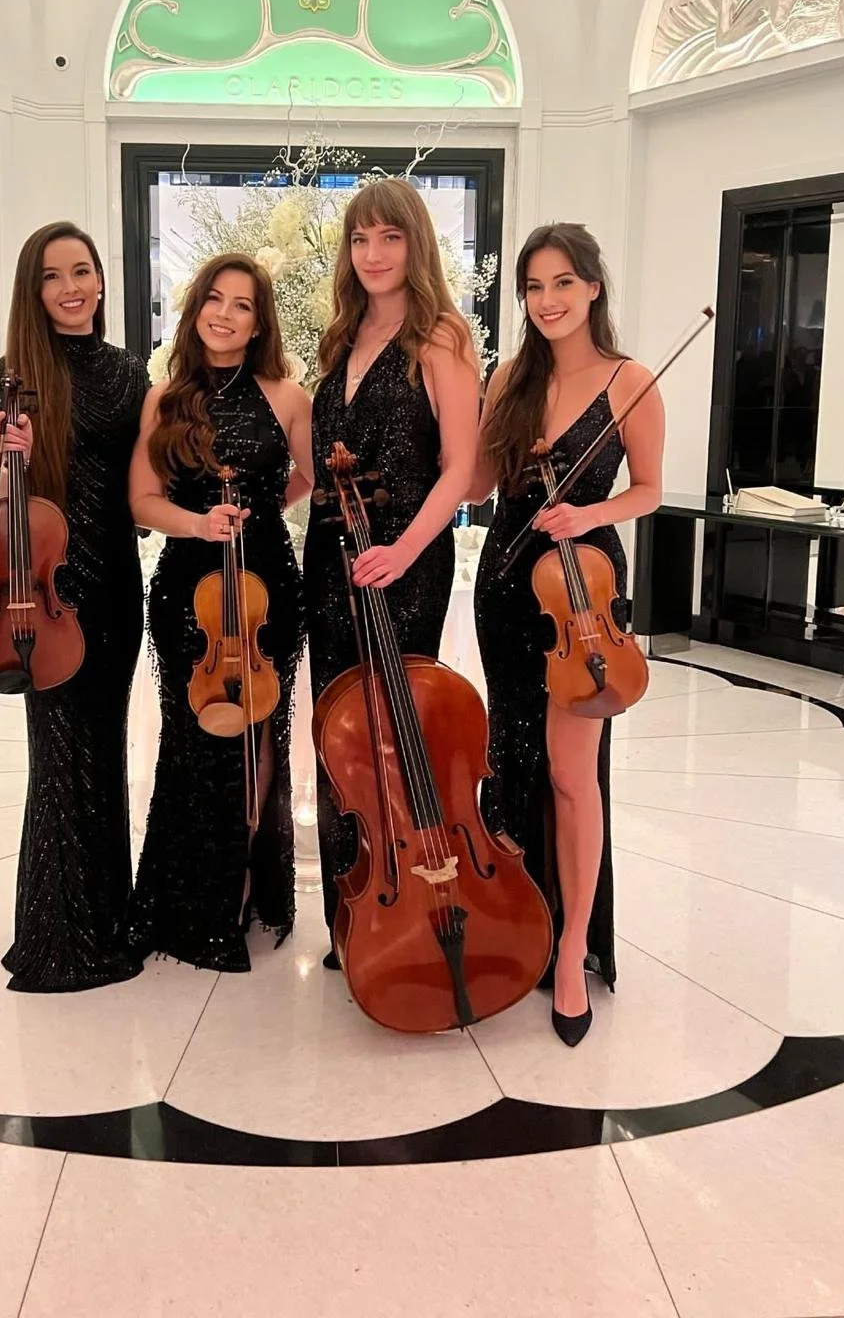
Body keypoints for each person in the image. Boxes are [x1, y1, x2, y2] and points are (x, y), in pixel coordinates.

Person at [470, 223, 663, 1045]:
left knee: (572, 775)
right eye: (533, 287)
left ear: (592, 287)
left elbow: (651, 490)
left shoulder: (631, 380)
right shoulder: (509, 377)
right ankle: (518, 927)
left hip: (583, 591)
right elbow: (479, 483)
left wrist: (588, 510)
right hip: (509, 588)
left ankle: (573, 948)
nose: (546, 301)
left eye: (561, 284)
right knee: (511, 761)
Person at [303, 177, 480, 966]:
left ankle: (418, 902)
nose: (372, 254)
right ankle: (355, 910)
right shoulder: (338, 337)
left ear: (416, 244)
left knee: (399, 729)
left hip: (405, 563)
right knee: (340, 733)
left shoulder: (442, 335)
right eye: (360, 239)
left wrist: (403, 550)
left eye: (390, 237)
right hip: (330, 559)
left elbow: (460, 468)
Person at [126, 254, 312, 971]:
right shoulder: (165, 397)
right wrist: (198, 524)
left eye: (243, 305)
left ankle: (237, 889)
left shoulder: (287, 396)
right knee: (190, 730)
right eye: (215, 298)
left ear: (260, 321)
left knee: (258, 732)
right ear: (195, 305)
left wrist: (263, 512)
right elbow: (142, 500)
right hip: (187, 583)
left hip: (267, 586)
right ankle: (184, 896)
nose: (226, 314)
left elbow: (309, 479)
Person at [0, 221, 148, 991]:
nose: (71, 287)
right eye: (53, 276)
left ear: (102, 283)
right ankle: (55, 934)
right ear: (34, 290)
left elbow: (141, 494)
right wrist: (12, 460)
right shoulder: (14, 374)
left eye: (83, 272)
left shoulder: (131, 374)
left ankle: (108, 920)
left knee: (104, 745)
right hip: (40, 589)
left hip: (113, 578)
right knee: (55, 755)